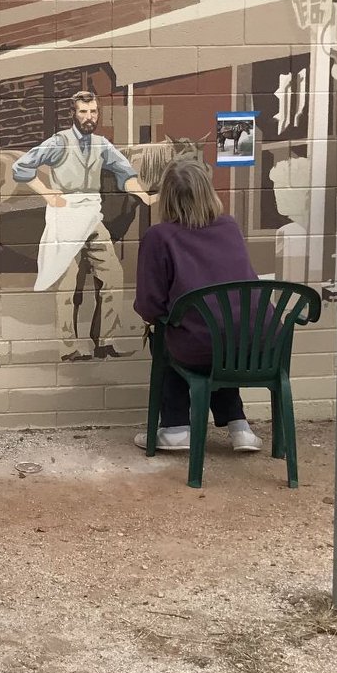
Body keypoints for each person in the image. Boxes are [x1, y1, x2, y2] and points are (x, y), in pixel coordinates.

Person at [131, 159, 263, 454]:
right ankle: (238, 426)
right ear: (208, 191)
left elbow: (150, 306)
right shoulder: (229, 226)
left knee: (171, 336)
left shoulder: (159, 236)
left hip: (201, 347)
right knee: (223, 330)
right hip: (256, 347)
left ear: (167, 197)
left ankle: (177, 427)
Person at [11, 90, 149, 360]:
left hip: (92, 217)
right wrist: (48, 193)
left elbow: (125, 173)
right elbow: (21, 168)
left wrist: (144, 195)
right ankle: (69, 348)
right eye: (83, 112)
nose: (89, 117)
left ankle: (105, 341)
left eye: (93, 111)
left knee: (113, 275)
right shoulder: (58, 142)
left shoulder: (101, 144)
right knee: (68, 282)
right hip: (66, 217)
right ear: (73, 114)